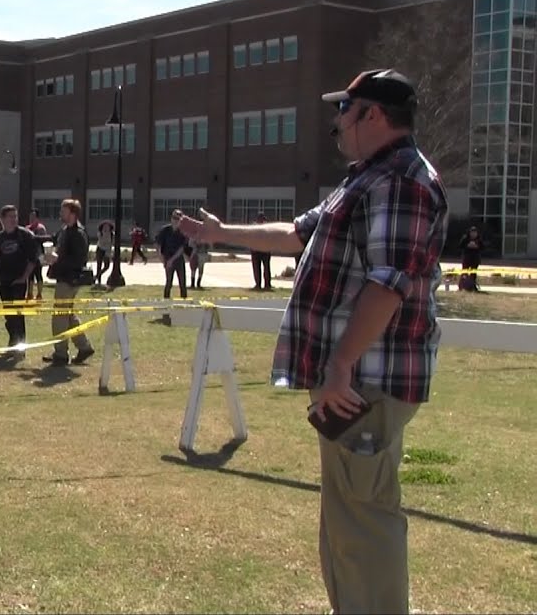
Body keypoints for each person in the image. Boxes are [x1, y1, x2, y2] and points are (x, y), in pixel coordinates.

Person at [180, 68, 447, 615]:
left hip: (365, 384)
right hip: (356, 383)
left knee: (364, 523)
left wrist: (342, 365)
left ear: (373, 114)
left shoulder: (400, 181)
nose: (336, 123)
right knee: (349, 518)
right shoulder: (368, 178)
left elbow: (389, 282)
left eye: (343, 110)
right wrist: (220, 233)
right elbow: (297, 234)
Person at [41, 199, 95, 365]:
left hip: (69, 279)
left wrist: (58, 260)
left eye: (63, 211)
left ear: (72, 213)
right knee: (68, 315)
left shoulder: (78, 233)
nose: (60, 214)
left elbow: (79, 260)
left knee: (59, 316)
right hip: (63, 277)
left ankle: (61, 354)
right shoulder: (65, 230)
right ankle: (84, 347)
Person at [0, 205, 38, 352]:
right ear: (3, 219)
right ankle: (12, 342)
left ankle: (20, 346)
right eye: (10, 216)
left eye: (15, 216)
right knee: (8, 314)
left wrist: (24, 277)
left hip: (19, 281)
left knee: (18, 314)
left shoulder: (25, 235)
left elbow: (33, 260)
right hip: (3, 281)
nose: (13, 219)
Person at [156, 211, 189, 299]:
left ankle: (184, 305)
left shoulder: (183, 232)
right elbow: (158, 246)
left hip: (178, 260)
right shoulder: (165, 230)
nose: (176, 220)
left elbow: (182, 249)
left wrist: (172, 260)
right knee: (168, 284)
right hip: (167, 258)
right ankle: (166, 305)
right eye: (174, 218)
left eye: (178, 219)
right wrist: (163, 261)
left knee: (182, 283)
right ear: (171, 218)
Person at [458, 225, 485, 292]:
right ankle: (462, 286)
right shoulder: (465, 238)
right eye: (472, 232)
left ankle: (472, 286)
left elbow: (483, 247)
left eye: (475, 232)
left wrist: (477, 246)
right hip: (466, 258)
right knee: (464, 272)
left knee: (473, 273)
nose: (473, 234)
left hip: (475, 259)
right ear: (469, 233)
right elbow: (460, 246)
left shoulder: (479, 239)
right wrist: (467, 246)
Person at [250, 212, 273, 290]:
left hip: (260, 251)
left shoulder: (254, 227)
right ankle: (262, 285)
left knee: (263, 268)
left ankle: (263, 285)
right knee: (261, 268)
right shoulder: (267, 227)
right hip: (261, 250)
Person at [93, 220, 114, 286]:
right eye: (104, 227)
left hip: (107, 250)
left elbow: (111, 244)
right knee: (99, 266)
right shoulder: (100, 233)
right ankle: (98, 281)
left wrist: (109, 253)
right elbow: (101, 241)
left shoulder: (112, 234)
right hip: (100, 249)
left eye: (107, 227)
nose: (106, 228)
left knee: (107, 266)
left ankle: (96, 276)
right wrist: (104, 233)